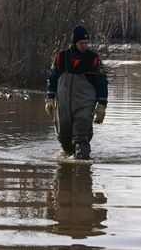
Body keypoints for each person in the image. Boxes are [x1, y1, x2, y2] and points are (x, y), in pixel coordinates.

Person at [45, 25, 108, 160]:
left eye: (86, 43)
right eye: (81, 43)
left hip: (85, 104)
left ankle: (82, 171)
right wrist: (49, 98)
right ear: (74, 43)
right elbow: (52, 78)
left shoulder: (93, 59)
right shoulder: (61, 57)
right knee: (64, 139)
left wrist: (102, 105)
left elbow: (102, 82)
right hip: (63, 105)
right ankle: (66, 171)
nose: (84, 46)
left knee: (82, 140)